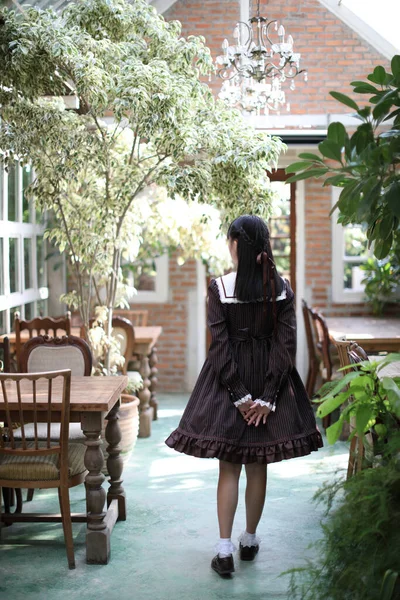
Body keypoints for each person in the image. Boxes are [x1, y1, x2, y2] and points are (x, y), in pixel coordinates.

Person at [165, 214, 323, 578]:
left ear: (237, 243)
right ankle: (249, 540)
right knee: (258, 464)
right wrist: (267, 398)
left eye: (229, 240)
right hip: (270, 381)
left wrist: (239, 396)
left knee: (229, 465)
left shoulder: (220, 287)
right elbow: (286, 345)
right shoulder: (281, 288)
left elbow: (218, 347)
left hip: (227, 383)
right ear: (264, 245)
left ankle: (224, 549)